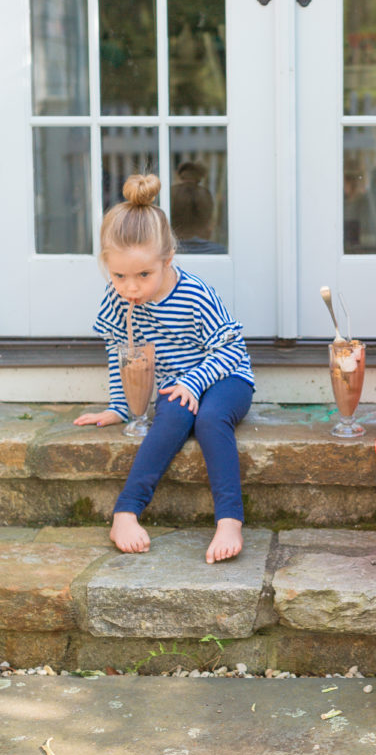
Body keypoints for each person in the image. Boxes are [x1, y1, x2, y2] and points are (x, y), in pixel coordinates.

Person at [74, 173, 254, 565]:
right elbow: (119, 350)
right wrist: (120, 406)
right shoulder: (117, 298)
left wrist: (195, 379)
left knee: (209, 420)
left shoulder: (194, 293)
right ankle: (125, 513)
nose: (131, 288)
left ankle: (229, 520)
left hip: (227, 378)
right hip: (176, 387)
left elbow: (230, 347)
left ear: (167, 260)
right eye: (119, 275)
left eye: (143, 275)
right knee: (169, 418)